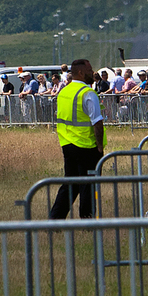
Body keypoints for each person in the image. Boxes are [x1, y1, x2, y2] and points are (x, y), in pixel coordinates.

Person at [49, 58, 105, 219]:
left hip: (67, 143)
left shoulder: (65, 91)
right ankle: (87, 220)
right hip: (86, 146)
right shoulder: (87, 93)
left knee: (70, 185)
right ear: (80, 73)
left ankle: (55, 219)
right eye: (89, 70)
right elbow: (97, 122)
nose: (93, 73)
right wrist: (99, 146)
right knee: (88, 185)